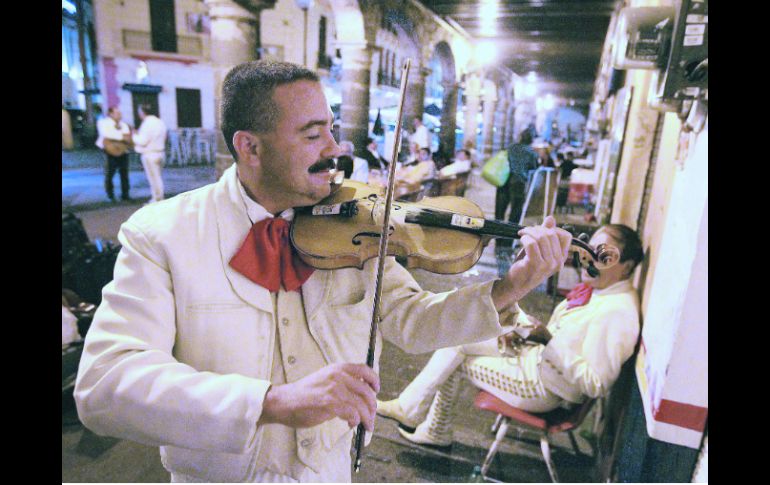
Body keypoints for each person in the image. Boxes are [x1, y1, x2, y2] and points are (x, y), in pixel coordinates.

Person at [74, 60, 573, 483]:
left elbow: (413, 321)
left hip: (332, 469)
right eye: (313, 135)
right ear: (250, 148)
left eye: (331, 129)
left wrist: (514, 284)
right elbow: (105, 384)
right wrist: (268, 402)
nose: (335, 149)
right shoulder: (163, 233)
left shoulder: (357, 225)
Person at [377, 224, 642, 447]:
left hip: (542, 387)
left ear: (627, 266)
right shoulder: (600, 292)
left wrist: (547, 340)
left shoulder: (617, 311)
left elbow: (594, 384)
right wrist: (523, 333)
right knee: (460, 338)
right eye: (590, 249)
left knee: (456, 358)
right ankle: (420, 417)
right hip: (535, 360)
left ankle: (429, 424)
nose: (588, 258)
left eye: (603, 255)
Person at [495, 131, 540, 254]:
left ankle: (497, 239)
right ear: (531, 140)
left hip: (503, 179)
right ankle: (508, 241)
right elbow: (534, 168)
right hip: (518, 182)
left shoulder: (511, 147)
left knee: (500, 211)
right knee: (515, 213)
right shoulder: (531, 152)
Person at [132, 104, 168, 204]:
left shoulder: (146, 123)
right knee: (158, 177)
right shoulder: (160, 122)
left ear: (142, 112)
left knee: (153, 179)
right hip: (160, 152)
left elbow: (142, 141)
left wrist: (134, 136)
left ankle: (157, 199)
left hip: (150, 153)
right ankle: (159, 197)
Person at [95, 106, 133, 202]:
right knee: (110, 173)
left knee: (124, 173)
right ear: (110, 114)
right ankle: (110, 195)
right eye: (117, 113)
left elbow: (127, 136)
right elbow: (106, 134)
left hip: (123, 151)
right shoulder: (103, 122)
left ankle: (125, 194)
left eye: (120, 113)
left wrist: (120, 137)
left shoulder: (123, 124)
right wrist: (121, 137)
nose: (120, 115)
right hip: (110, 151)